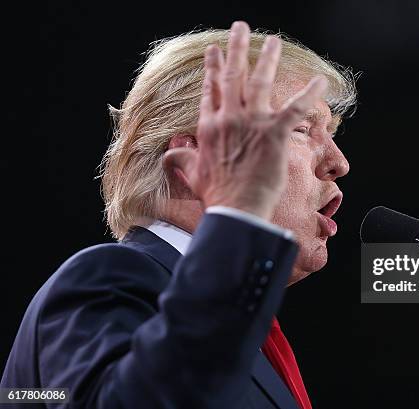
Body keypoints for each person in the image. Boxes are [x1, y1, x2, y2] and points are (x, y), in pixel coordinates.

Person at [1, 21, 356, 409]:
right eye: (303, 129)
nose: (339, 162)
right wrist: (239, 221)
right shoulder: (105, 279)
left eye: (333, 133)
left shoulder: (244, 329)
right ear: (198, 159)